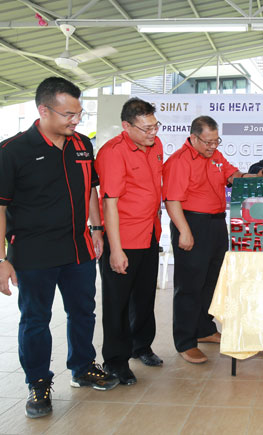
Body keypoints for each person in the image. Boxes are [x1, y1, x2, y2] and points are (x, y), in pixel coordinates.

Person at [0, 77, 118, 419]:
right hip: (33, 253)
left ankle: (83, 367)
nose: (76, 120)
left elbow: (90, 190)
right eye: (68, 114)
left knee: (83, 312)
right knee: (36, 320)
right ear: (43, 110)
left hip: (78, 249)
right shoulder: (12, 151)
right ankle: (38, 382)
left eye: (79, 113)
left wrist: (96, 228)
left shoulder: (82, 144)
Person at [163, 116, 256, 364]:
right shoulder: (179, 161)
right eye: (208, 142)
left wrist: (255, 177)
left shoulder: (215, 155)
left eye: (216, 141)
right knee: (189, 285)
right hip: (192, 223)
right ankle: (185, 341)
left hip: (216, 223)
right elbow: (172, 200)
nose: (213, 146)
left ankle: (204, 328)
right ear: (193, 138)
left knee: (211, 280)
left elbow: (232, 175)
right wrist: (184, 231)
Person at [94, 98, 164, 386]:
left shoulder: (156, 146)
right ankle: (115, 361)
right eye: (146, 128)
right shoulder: (112, 153)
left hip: (150, 234)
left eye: (155, 126)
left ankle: (141, 346)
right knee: (117, 303)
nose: (153, 133)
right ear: (126, 126)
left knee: (145, 297)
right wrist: (116, 250)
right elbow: (109, 203)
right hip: (122, 238)